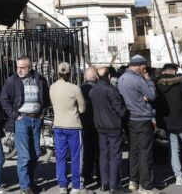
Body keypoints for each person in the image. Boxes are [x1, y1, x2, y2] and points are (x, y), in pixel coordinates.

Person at [0, 55, 50, 194]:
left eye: (23, 67)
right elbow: (4, 100)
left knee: (35, 154)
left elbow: (46, 99)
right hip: (22, 121)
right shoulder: (12, 81)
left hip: (37, 120)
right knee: (25, 155)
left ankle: (30, 183)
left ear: (30, 68)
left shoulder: (40, 79)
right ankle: (24, 187)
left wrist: (42, 113)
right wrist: (16, 116)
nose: (19, 70)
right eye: (18, 67)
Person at [117, 55, 158, 194]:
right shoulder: (138, 79)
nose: (145, 70)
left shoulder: (122, 78)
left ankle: (132, 181)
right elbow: (152, 96)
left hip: (130, 119)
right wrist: (149, 80)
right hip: (142, 118)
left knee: (133, 151)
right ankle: (145, 185)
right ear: (138, 65)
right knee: (145, 152)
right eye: (144, 67)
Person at [49, 62, 90, 194]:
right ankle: (77, 186)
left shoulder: (52, 87)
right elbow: (83, 109)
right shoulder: (75, 88)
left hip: (58, 124)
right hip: (73, 125)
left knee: (60, 157)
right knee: (76, 157)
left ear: (57, 73)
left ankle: (62, 185)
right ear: (70, 73)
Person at [89, 66, 126, 194]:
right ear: (109, 76)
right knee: (115, 155)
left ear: (97, 77)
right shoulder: (111, 90)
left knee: (104, 154)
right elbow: (120, 109)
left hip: (100, 126)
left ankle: (105, 183)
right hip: (113, 126)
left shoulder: (93, 90)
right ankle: (113, 185)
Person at [81, 67, 99, 188]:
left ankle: (87, 175)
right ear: (96, 77)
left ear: (85, 78)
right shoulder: (100, 89)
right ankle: (100, 175)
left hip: (84, 124)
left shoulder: (80, 90)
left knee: (87, 151)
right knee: (99, 151)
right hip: (99, 124)